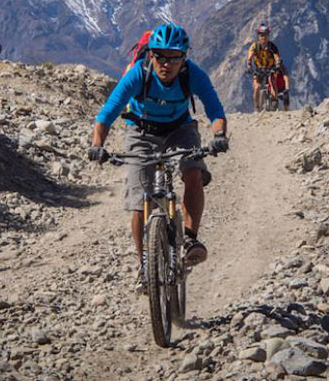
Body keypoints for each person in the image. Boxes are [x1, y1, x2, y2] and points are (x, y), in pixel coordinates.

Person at [87, 23, 228, 294]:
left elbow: (214, 108)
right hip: (141, 132)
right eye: (160, 56)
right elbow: (107, 113)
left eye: (174, 57)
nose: (167, 63)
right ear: (150, 55)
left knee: (193, 172)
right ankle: (144, 264)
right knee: (140, 201)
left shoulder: (192, 74)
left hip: (180, 129)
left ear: (184, 57)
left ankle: (189, 240)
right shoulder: (139, 74)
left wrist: (219, 135)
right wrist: (97, 145)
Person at [245, 23, 286, 112]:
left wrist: (278, 64)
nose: (264, 37)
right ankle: (256, 108)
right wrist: (249, 64)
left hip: (270, 68)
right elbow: (250, 56)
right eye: (261, 35)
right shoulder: (254, 46)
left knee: (272, 81)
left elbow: (276, 56)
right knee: (257, 87)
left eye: (266, 35)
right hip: (258, 69)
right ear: (258, 36)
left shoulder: (272, 46)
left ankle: (275, 101)